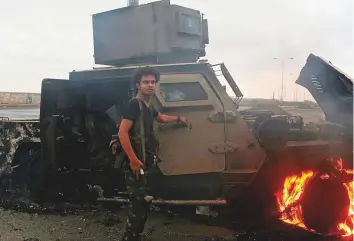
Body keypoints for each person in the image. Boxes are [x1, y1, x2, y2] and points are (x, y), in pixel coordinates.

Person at [118, 67, 188, 241]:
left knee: (143, 202)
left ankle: (136, 235)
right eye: (145, 82)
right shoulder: (134, 105)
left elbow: (161, 117)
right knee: (138, 204)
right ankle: (129, 237)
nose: (150, 85)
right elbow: (122, 133)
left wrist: (178, 118)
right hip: (136, 163)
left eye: (152, 82)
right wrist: (133, 160)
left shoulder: (148, 106)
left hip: (145, 161)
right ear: (138, 85)